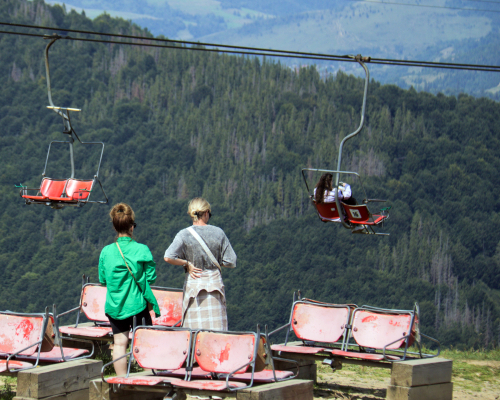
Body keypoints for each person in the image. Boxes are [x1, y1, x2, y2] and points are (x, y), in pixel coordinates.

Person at [98, 203, 160, 376]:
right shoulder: (142, 250)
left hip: (115, 306)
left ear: (115, 227)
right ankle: (148, 383)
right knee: (144, 344)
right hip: (138, 306)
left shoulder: (106, 252)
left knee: (119, 344)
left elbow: (103, 279)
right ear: (132, 227)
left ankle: (121, 383)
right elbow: (151, 277)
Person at [164, 197, 236, 330]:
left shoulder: (184, 234)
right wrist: (214, 262)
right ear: (206, 212)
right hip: (215, 288)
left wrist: (187, 263)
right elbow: (231, 261)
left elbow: (168, 257)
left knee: (193, 334)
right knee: (216, 332)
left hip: (194, 288)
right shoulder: (218, 233)